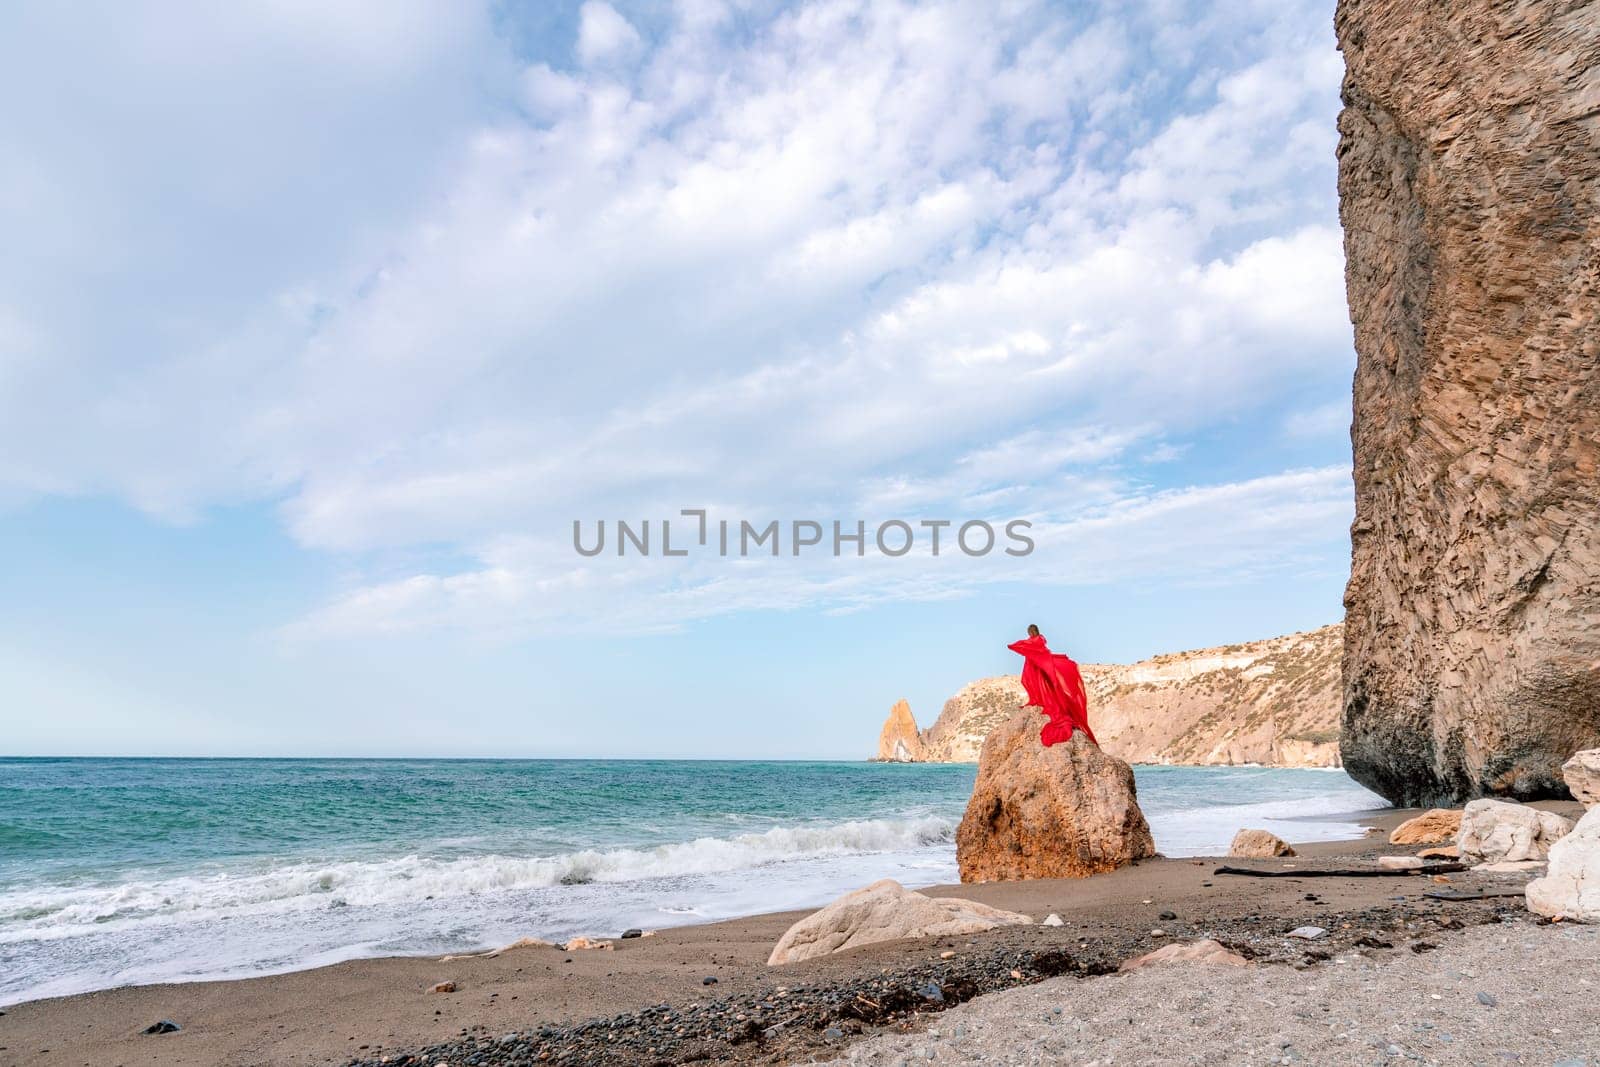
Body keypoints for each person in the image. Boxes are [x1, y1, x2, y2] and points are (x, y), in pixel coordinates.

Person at [1007, 624, 1097, 747]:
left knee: (1035, 683)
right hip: (1036, 666)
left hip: (1036, 667)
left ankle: (1039, 699)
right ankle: (1039, 698)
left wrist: (1012, 646)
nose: (1030, 634)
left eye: (1030, 632)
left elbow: (1023, 645)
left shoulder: (1035, 640)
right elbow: (1030, 647)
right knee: (1035, 683)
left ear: (1031, 632)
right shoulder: (1040, 640)